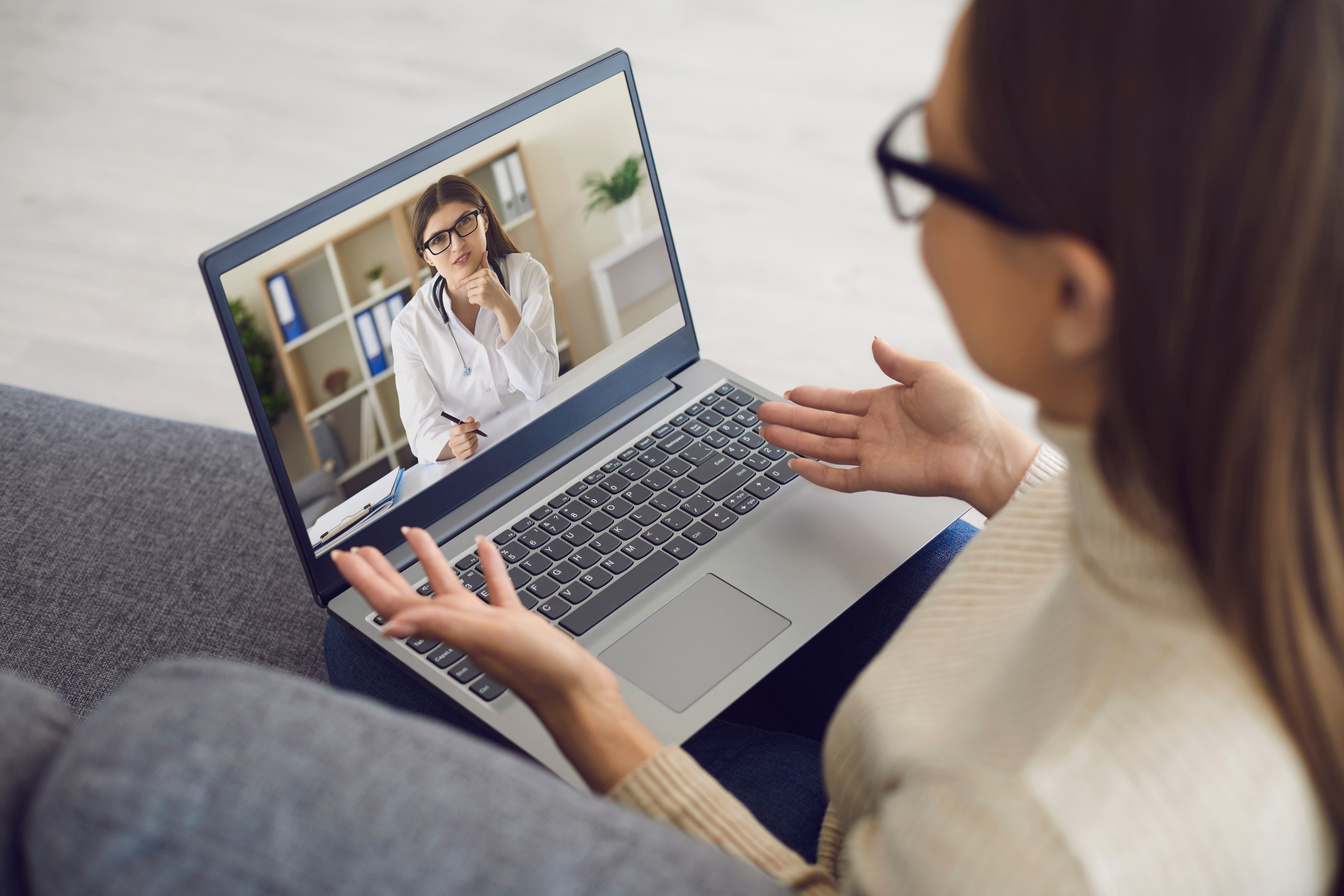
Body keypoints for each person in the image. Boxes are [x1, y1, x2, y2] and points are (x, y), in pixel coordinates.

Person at [328, 0, 1344, 890]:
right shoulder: (1275, 458)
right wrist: (1006, 471)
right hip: (1004, 692)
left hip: (865, 846)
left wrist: (584, 703)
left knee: (368, 642)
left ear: (1074, 295)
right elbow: (1160, 561)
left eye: (930, 164)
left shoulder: (1034, 842)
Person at [393, 174, 560, 463]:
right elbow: (422, 433)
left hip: (543, 441)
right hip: (479, 464)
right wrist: (451, 443)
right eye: (439, 239)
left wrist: (504, 306)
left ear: (483, 220)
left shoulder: (527, 275)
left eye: (464, 223)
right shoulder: (409, 327)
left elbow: (540, 385)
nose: (456, 244)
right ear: (427, 257)